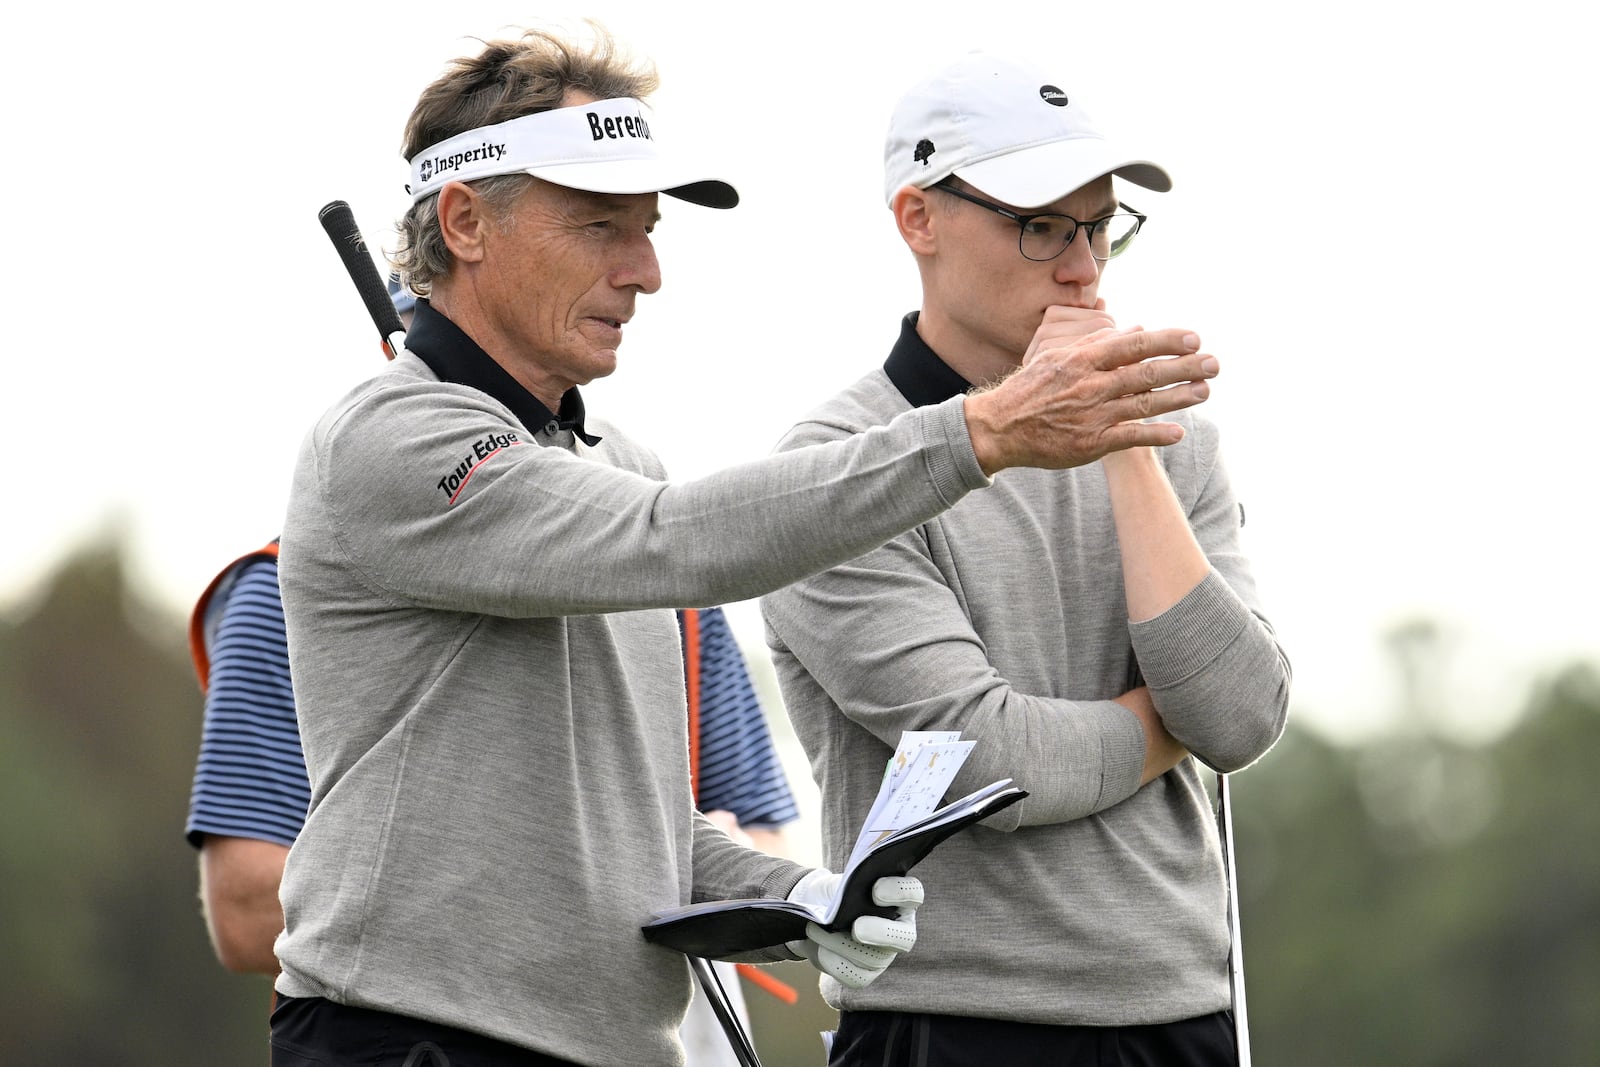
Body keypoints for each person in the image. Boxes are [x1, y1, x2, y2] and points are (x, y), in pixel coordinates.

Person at [269, 24, 1221, 1066]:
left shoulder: (618, 461)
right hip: (408, 1035)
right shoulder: (389, 440)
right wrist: (983, 430)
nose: (646, 271)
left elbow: (640, 833)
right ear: (466, 221)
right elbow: (672, 540)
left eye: (647, 228)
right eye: (601, 228)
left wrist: (800, 892)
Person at [759, 51, 1293, 1066]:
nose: (1084, 269)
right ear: (917, 218)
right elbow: (992, 764)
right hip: (953, 1022)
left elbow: (1238, 715)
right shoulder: (833, 469)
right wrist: (1163, 722)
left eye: (1099, 227)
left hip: (1181, 1009)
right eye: (1041, 225)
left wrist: (1125, 439)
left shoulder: (1180, 444)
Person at [185, 281, 803, 1064]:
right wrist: (536, 870)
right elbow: (244, 908)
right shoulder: (286, 585)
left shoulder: (658, 555)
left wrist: (755, 882)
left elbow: (756, 835)